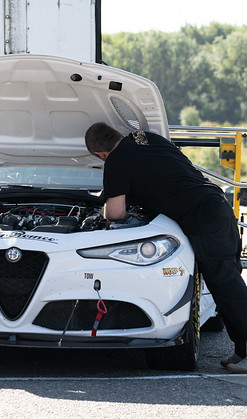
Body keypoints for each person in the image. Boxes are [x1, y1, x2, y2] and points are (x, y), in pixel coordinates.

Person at [84, 122, 247, 373]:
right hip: (218, 206)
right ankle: (241, 352)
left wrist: (105, 206)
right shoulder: (145, 137)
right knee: (229, 283)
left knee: (227, 286)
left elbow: (115, 213)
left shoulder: (116, 160)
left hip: (203, 218)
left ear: (100, 155)